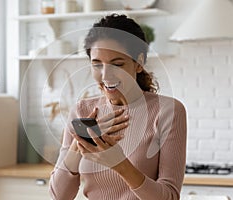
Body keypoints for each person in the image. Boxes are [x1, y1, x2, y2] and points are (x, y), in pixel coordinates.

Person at [49, 14, 187, 200]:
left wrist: (120, 164)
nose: (106, 76)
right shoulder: (81, 111)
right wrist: (79, 142)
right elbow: (59, 196)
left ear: (138, 63)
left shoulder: (168, 111)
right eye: (97, 64)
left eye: (117, 64)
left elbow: (169, 196)